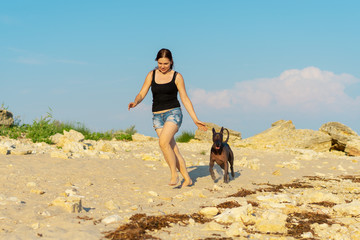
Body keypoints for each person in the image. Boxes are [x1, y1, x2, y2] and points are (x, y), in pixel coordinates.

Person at [128, 48, 207, 188]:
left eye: (165, 63)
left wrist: (195, 119)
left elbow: (184, 98)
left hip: (173, 113)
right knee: (172, 149)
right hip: (157, 116)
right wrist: (135, 102)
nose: (162, 66)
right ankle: (187, 179)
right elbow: (141, 93)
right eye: (160, 63)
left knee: (163, 143)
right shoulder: (151, 75)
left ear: (171, 62)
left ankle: (173, 174)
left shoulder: (177, 77)